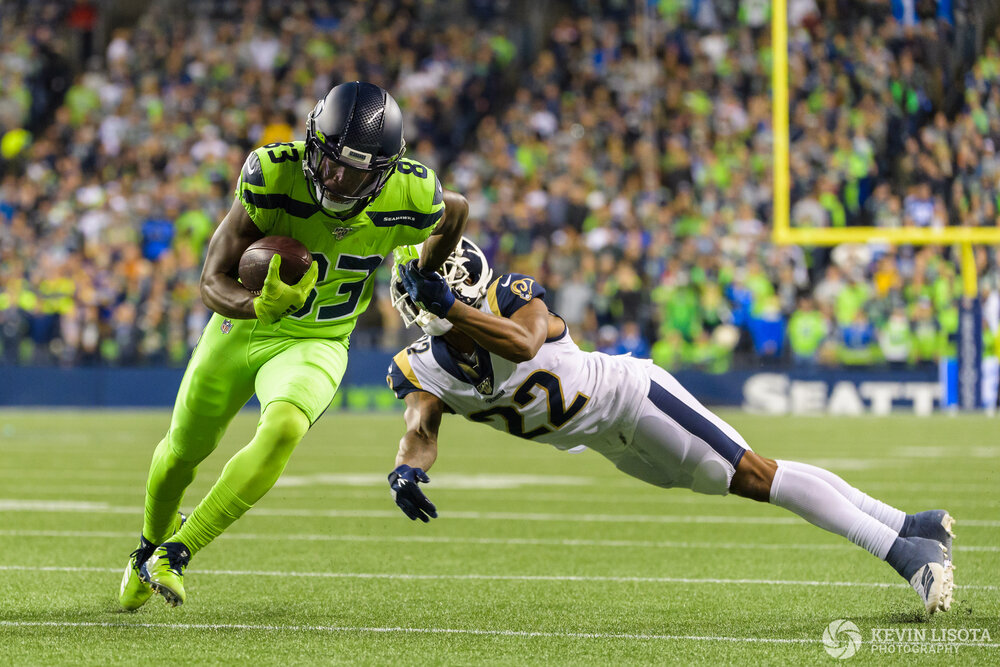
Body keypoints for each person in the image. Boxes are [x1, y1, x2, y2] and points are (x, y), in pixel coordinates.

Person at [385, 238, 955, 615]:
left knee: (755, 475)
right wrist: (404, 471)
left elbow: (525, 342)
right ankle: (915, 524)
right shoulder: (420, 367)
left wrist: (458, 311)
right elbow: (421, 430)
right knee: (746, 477)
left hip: (635, 397)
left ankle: (908, 556)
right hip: (607, 443)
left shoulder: (511, 296)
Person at [118, 81, 467, 609]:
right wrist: (255, 305)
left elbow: (455, 212)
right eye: (330, 161)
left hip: (319, 338)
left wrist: (425, 273)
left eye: (358, 171)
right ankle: (145, 549)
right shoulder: (273, 173)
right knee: (179, 456)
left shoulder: (413, 194)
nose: (338, 178)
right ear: (312, 141)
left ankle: (176, 552)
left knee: (283, 425)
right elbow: (211, 279)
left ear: (386, 171)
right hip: (242, 331)